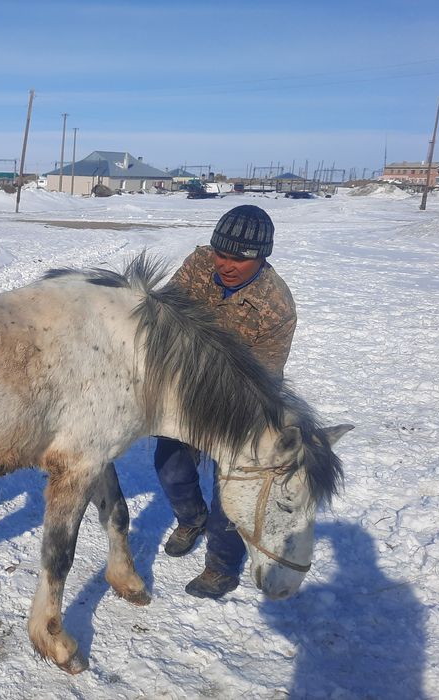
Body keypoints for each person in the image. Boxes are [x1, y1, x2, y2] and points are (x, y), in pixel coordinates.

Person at [156, 204, 296, 599]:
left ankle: (221, 567)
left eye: (240, 259)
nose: (226, 265)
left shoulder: (276, 307)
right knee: (170, 468)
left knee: (230, 492)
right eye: (221, 253)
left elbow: (263, 378)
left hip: (240, 403)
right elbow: (163, 315)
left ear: (262, 257)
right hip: (185, 388)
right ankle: (190, 519)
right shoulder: (199, 263)